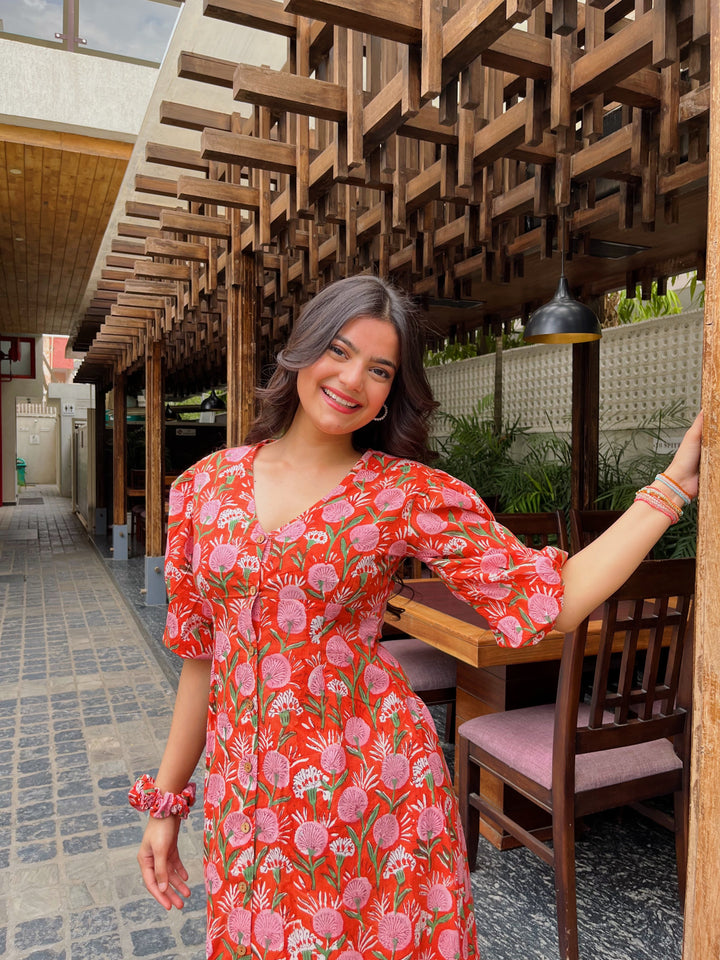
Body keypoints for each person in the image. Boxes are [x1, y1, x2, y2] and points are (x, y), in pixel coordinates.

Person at [132, 275, 702, 960]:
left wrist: (670, 489)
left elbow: (551, 600)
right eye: (339, 351)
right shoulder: (202, 489)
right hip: (242, 792)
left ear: (391, 391)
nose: (352, 380)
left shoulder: (400, 495)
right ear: (302, 350)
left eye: (379, 370)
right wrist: (166, 805)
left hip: (370, 786)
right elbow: (202, 659)